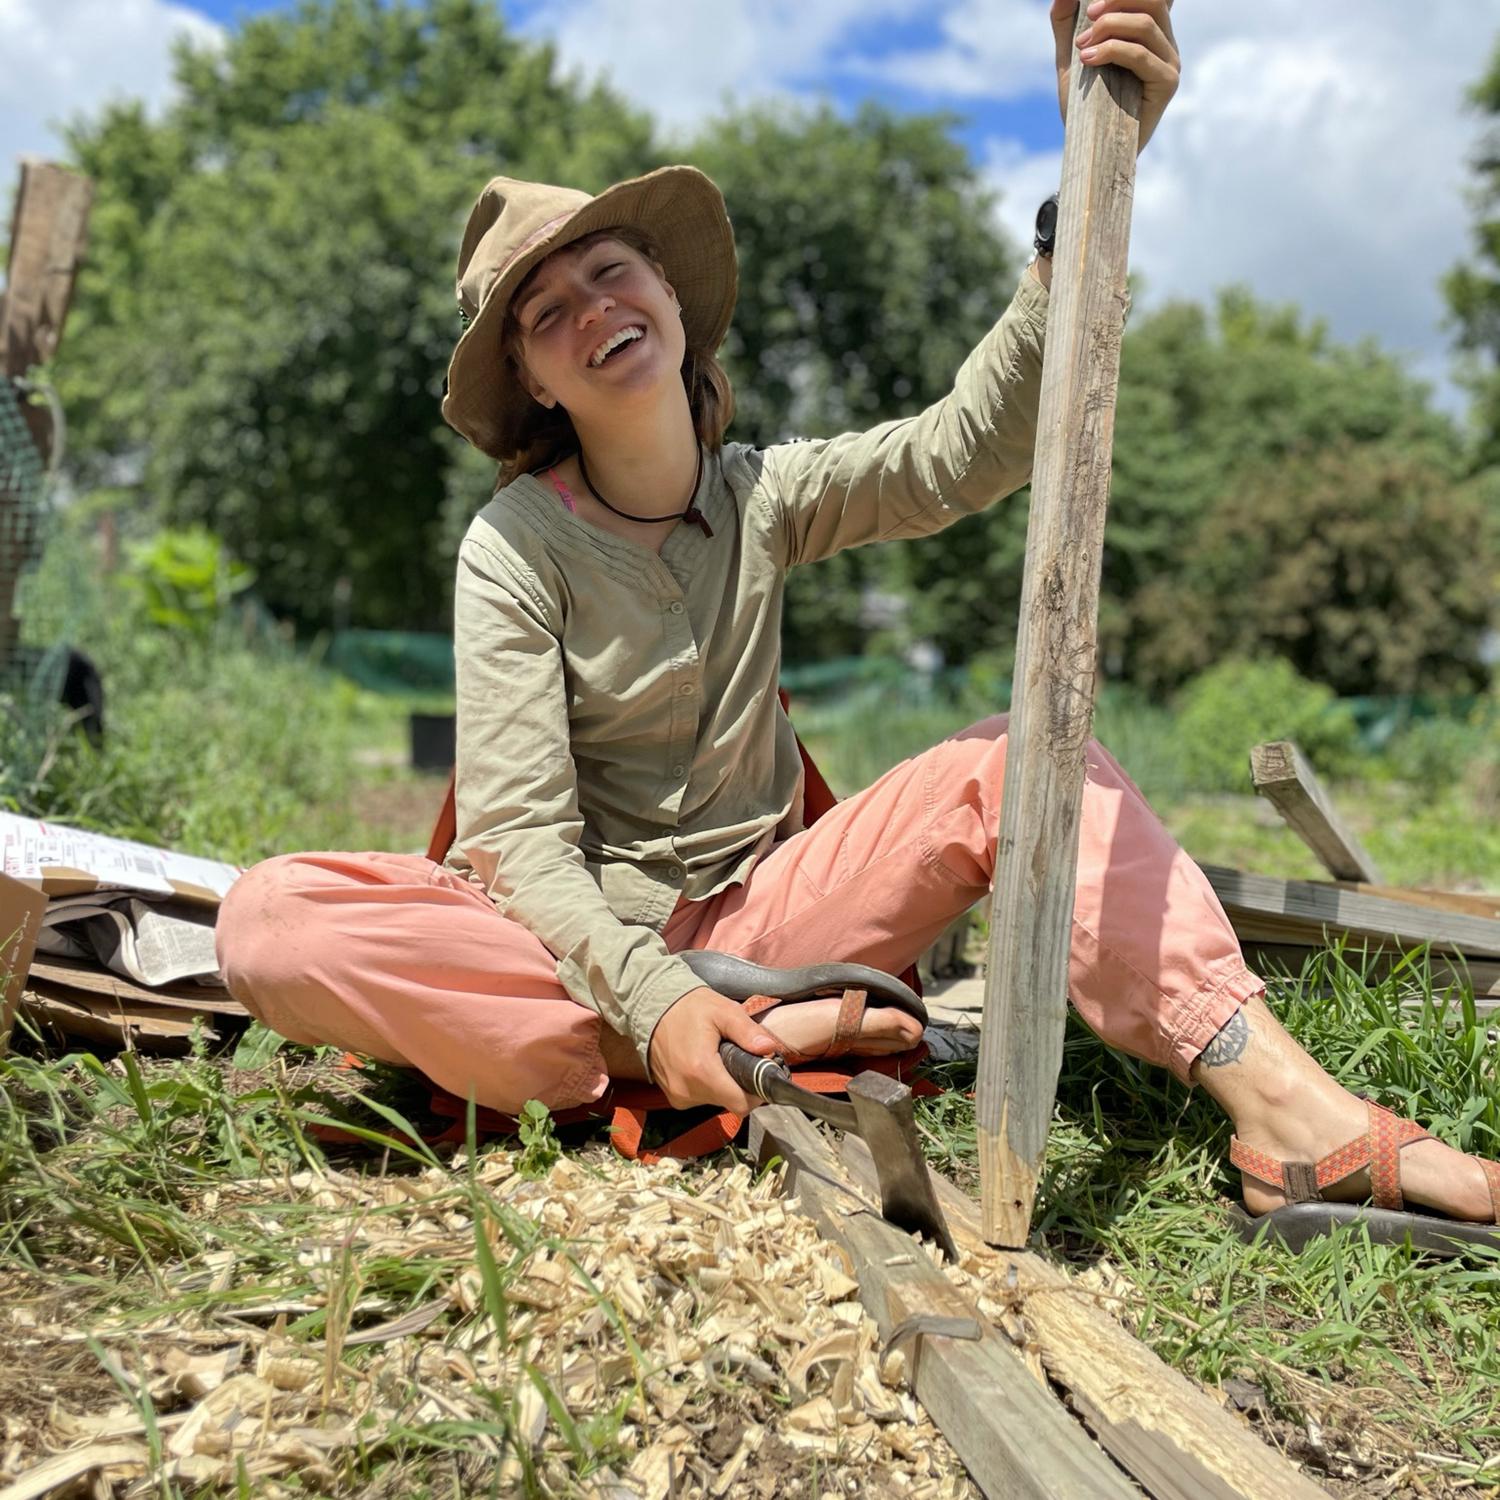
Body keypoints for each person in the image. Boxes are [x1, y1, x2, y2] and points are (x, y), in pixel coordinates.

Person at [217, 0, 1500, 1239]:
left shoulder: (765, 493)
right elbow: (519, 846)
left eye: (612, 272)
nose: (593, 311)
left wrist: (1081, 185)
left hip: (769, 927)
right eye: (547, 315)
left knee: (1013, 761)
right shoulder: (513, 548)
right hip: (572, 948)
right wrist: (660, 996)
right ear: (536, 383)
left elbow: (964, 451)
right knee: (272, 921)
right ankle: (742, 1039)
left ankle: (1287, 1112)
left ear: (667, 296)